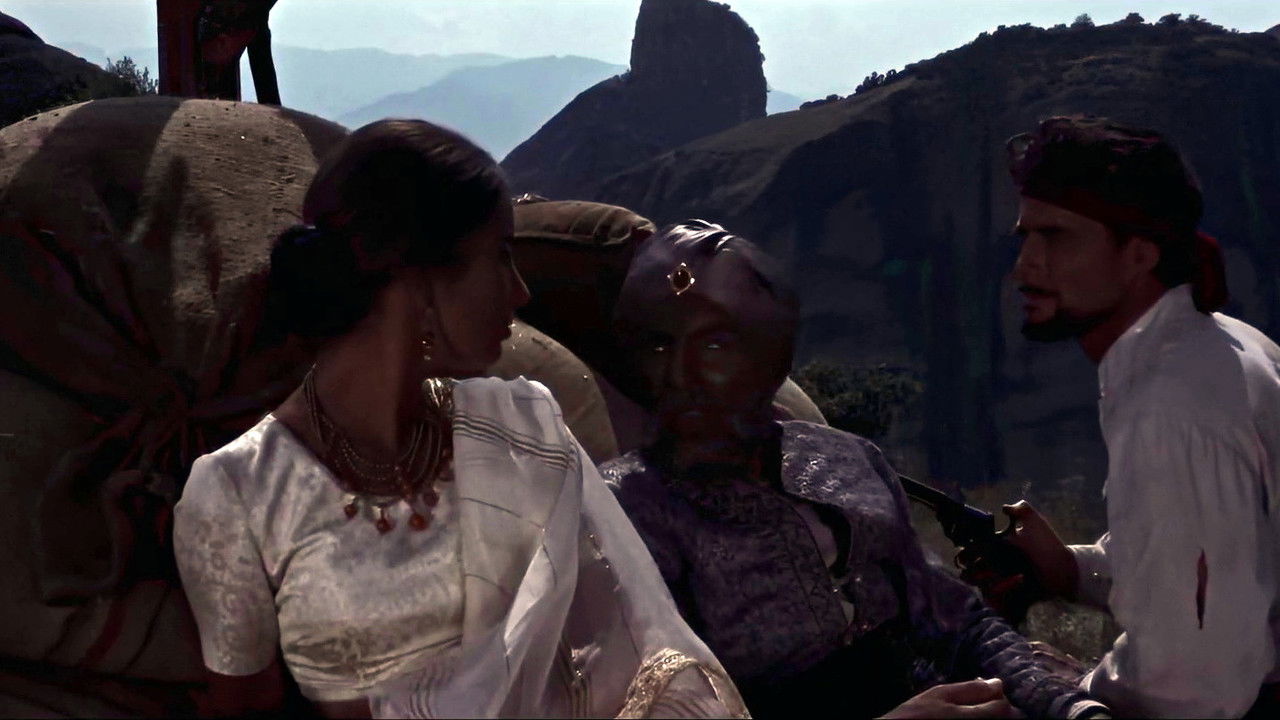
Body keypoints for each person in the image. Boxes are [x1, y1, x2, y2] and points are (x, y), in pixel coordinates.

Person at [172, 119, 747, 718]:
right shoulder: (237, 491)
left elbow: (633, 642)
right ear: (419, 278)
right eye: (500, 257)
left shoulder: (521, 429)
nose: (520, 291)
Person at [600, 220, 1109, 719]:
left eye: (714, 345)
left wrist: (1070, 707)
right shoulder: (622, 510)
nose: (679, 374)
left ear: (768, 351)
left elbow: (958, 620)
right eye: (658, 345)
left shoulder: (847, 457)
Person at [999, 115, 1280, 717]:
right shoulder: (1219, 343)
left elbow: (1190, 687)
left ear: (1139, 255)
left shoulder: (1171, 405)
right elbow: (1201, 565)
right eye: (1025, 237)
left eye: (1056, 237)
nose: (1025, 266)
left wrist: (1066, 696)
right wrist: (1070, 569)